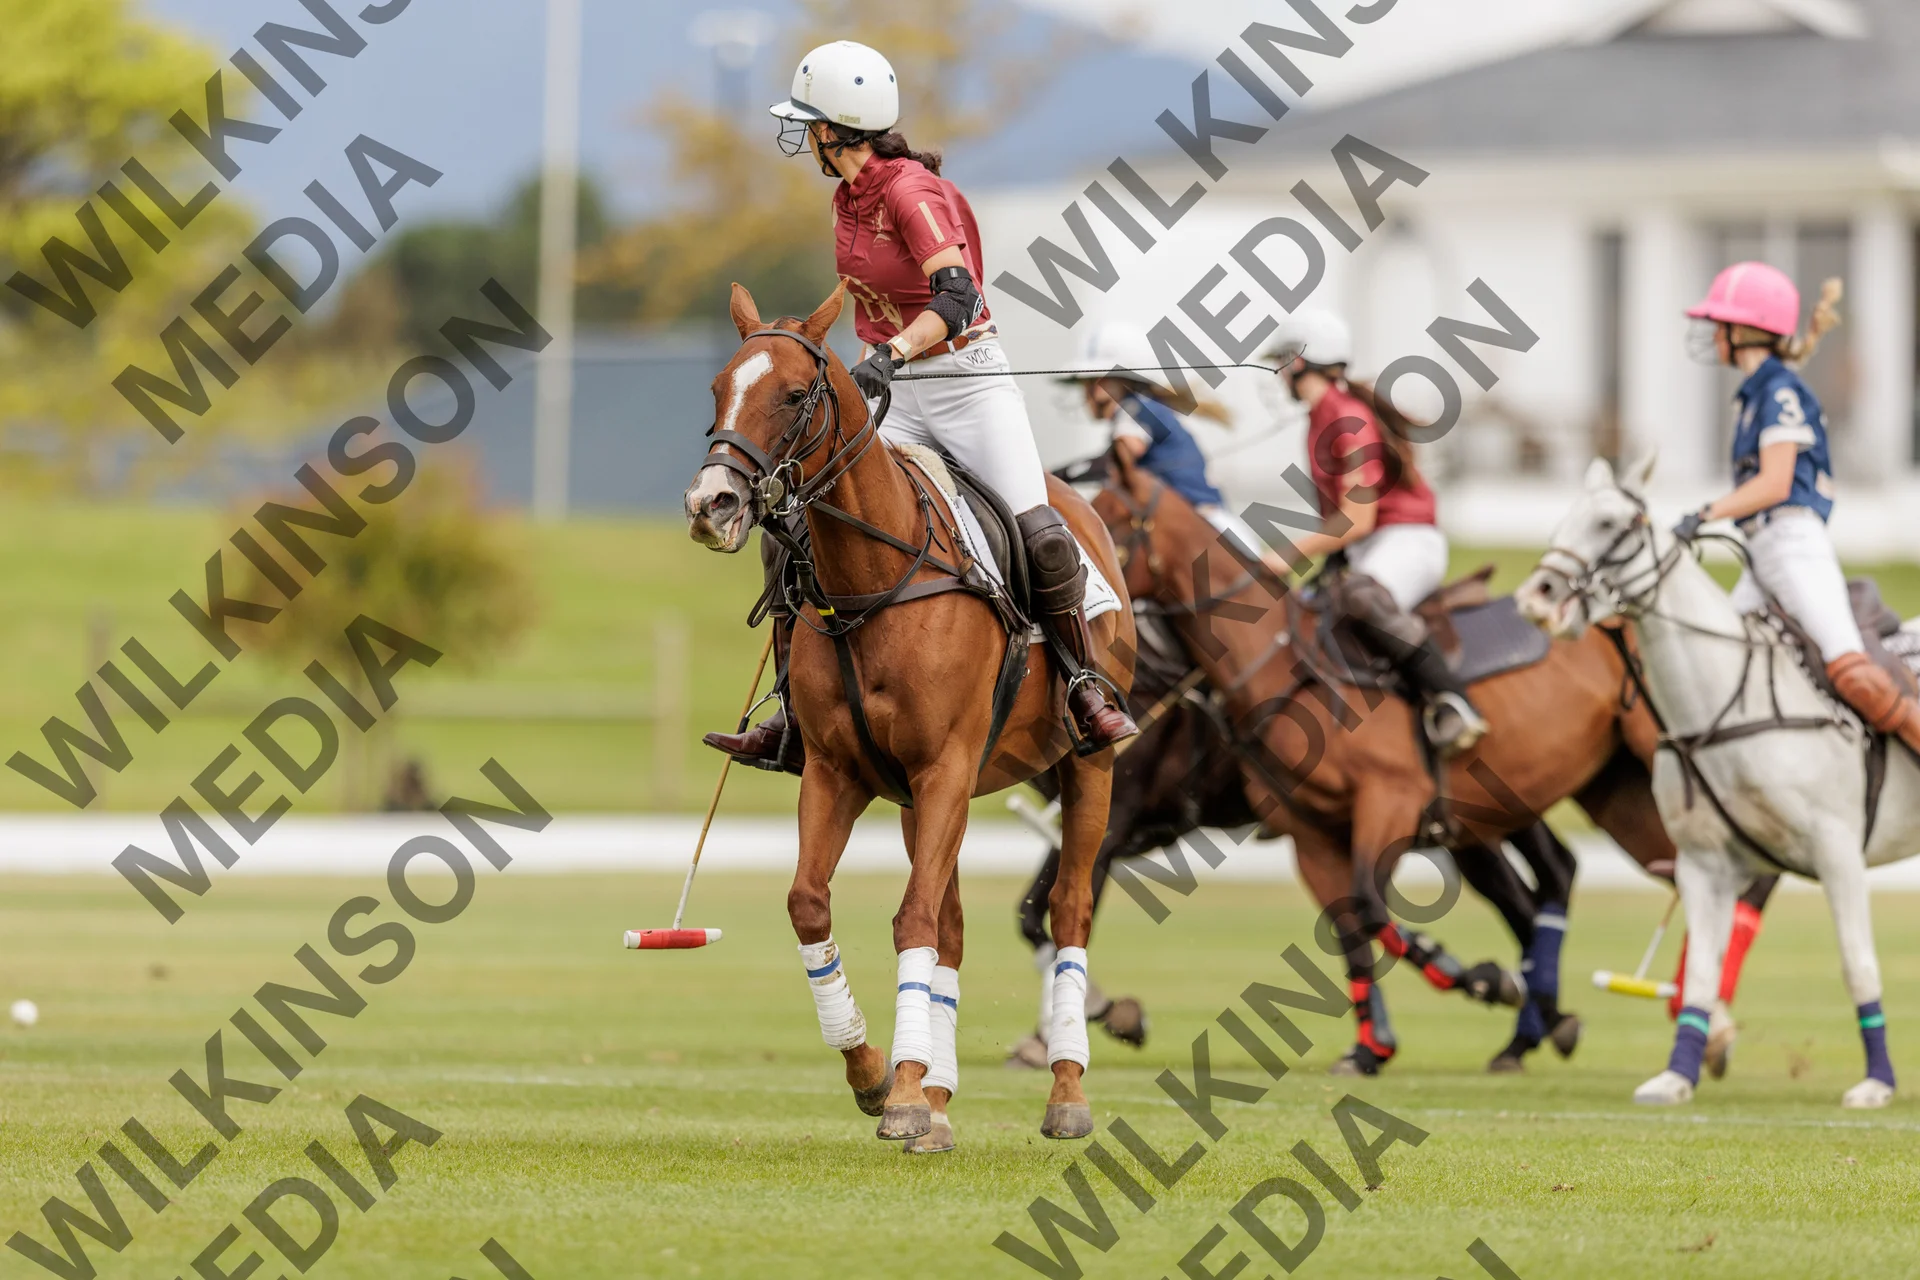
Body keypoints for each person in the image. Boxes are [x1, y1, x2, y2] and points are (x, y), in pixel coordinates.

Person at [703, 40, 1136, 771]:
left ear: (836, 128)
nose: (803, 135)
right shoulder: (845, 199)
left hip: (966, 382)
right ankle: (791, 714)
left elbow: (957, 296)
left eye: (809, 123)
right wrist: (881, 361)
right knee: (794, 527)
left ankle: (1084, 687)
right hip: (896, 391)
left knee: (1039, 532)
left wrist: (893, 353)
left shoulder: (911, 191)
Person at [1674, 263, 1920, 752]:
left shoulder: (1779, 392)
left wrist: (1703, 515)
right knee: (1718, 666)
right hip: (1764, 552)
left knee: (1852, 671)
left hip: (1793, 545)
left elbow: (1775, 482)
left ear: (1744, 330)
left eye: (1720, 323)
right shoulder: (1754, 394)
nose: (1713, 333)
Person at [1263, 309, 1488, 757]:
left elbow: (1357, 519)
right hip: (1368, 547)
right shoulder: (1321, 417)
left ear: (1299, 362)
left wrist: (1285, 556)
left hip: (1408, 541)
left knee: (1361, 596)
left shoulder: (1347, 418)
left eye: (1281, 363)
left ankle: (1453, 701)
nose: (1279, 374)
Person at [1058, 321, 1290, 581]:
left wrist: (1056, 477)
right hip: (1193, 523)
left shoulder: (1136, 410)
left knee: (1262, 582)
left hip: (1202, 522)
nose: (1086, 393)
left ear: (1109, 383)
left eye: (1090, 382)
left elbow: (1117, 461)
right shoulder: (1143, 408)